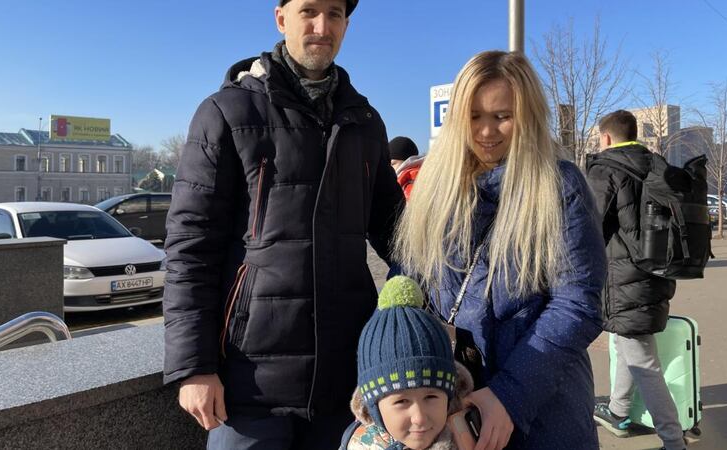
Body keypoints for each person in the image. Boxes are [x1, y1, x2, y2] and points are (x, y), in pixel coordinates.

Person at [161, 0, 405, 448]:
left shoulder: (364, 121)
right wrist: (194, 366)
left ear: (346, 25)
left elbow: (399, 234)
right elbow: (190, 248)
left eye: (334, 14)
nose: (322, 26)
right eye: (308, 11)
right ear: (281, 19)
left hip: (346, 381)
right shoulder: (227, 112)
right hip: (247, 385)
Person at [392, 50, 607, 450]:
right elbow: (405, 281)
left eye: (502, 116)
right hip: (452, 408)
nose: (486, 131)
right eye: (474, 116)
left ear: (527, 116)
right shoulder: (436, 185)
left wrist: (510, 396)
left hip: (543, 409)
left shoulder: (559, 185)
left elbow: (578, 303)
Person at [586, 110, 686, 450]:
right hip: (655, 276)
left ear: (606, 137)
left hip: (623, 282)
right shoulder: (657, 165)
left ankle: (673, 441)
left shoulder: (606, 169)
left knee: (643, 361)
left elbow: (588, 226)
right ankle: (618, 411)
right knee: (625, 342)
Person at [340, 276, 475, 450]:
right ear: (373, 407)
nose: (419, 417)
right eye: (402, 401)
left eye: (431, 397)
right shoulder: (359, 445)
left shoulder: (468, 437)